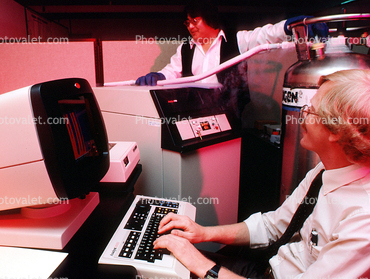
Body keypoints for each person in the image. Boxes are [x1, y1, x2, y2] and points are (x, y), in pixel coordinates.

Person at [153, 69, 370, 279]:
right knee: (160, 262)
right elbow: (272, 226)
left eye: (310, 111)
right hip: (266, 268)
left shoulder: (362, 219)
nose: (302, 116)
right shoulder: (325, 170)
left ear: (336, 131)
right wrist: (202, 233)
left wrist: (200, 264)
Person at [135, 0, 327, 127]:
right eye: (187, 23)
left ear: (209, 18)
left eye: (195, 21)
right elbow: (172, 71)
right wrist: (158, 76)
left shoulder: (237, 40)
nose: (190, 27)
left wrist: (288, 27)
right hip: (193, 116)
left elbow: (264, 35)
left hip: (230, 117)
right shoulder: (185, 49)